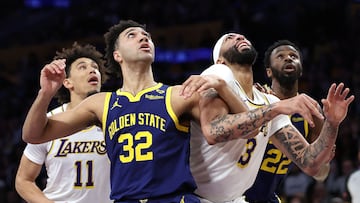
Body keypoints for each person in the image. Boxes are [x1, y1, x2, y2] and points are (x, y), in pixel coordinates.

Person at [21, 20, 326, 202]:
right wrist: (45, 94)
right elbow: (33, 134)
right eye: (133, 35)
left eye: (147, 36)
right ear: (117, 55)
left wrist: (264, 104)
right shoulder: (101, 103)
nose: (144, 38)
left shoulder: (180, 93)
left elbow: (234, 128)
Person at [182, 33, 354, 203]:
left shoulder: (268, 100)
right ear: (220, 60)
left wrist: (332, 123)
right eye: (229, 38)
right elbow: (214, 131)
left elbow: (310, 163)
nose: (240, 38)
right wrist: (276, 108)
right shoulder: (219, 74)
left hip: (237, 198)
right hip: (199, 198)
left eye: (242, 37)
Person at [15, 42, 112, 202]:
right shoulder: (49, 122)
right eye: (82, 67)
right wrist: (45, 93)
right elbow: (23, 180)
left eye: (95, 67)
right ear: (67, 82)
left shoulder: (113, 117)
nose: (92, 69)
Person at [244, 40, 332, 203]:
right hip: (235, 196)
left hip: (268, 197)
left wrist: (331, 127)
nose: (288, 59)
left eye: (293, 56)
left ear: (300, 70)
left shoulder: (311, 111)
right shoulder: (255, 97)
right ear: (269, 72)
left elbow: (321, 174)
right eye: (280, 56)